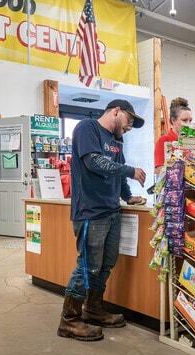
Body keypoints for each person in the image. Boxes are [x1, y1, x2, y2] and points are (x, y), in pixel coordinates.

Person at [57, 99, 147, 342]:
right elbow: (95, 162)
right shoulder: (87, 128)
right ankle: (69, 320)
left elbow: (116, 173)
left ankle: (93, 310)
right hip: (90, 212)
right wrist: (130, 170)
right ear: (116, 112)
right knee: (87, 266)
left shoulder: (117, 140)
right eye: (129, 121)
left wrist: (128, 197)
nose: (129, 127)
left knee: (106, 263)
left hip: (111, 211)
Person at [154, 97, 193, 173]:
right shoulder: (164, 140)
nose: (188, 124)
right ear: (173, 120)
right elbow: (161, 169)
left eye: (190, 120)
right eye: (184, 120)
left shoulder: (189, 141)